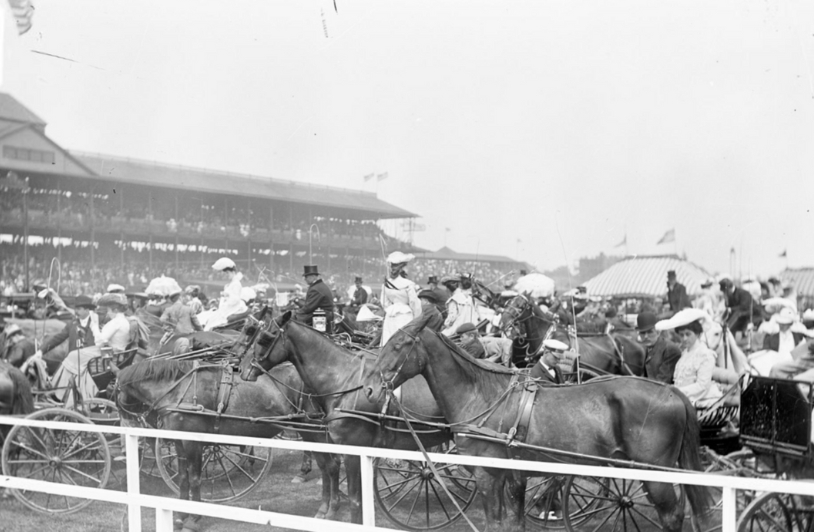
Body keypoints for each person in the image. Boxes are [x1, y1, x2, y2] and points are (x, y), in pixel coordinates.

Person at [50, 293, 132, 406]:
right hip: (110, 352)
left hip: (107, 353)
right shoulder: (123, 321)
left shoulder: (116, 322)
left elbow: (100, 341)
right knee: (76, 358)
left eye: (109, 310)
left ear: (115, 309)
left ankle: (59, 391)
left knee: (74, 356)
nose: (107, 313)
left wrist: (94, 325)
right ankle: (68, 392)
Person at [656, 311, 722, 408]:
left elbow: (702, 386)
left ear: (698, 334)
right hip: (681, 398)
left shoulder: (705, 355)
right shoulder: (685, 353)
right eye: (681, 335)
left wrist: (676, 391)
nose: (684, 338)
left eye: (688, 334)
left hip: (700, 400)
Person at [30, 295, 101, 374]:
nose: (76, 312)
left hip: (92, 365)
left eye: (79, 309)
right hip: (74, 366)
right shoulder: (72, 324)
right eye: (75, 309)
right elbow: (58, 338)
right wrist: (41, 351)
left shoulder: (96, 323)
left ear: (87, 310)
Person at [380, 252, 422, 346]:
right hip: (405, 316)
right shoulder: (408, 284)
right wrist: (416, 318)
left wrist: (391, 309)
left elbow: (384, 303)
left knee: (388, 342)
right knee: (403, 344)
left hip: (390, 315)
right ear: (402, 268)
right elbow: (414, 303)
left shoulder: (386, 284)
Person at [636, 311, 681, 384]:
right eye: (642, 333)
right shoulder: (646, 347)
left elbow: (662, 382)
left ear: (658, 332)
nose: (646, 336)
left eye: (650, 332)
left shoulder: (669, 349)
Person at [204, 257, 248, 331]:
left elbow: (235, 299)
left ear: (233, 272)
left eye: (227, 273)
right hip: (227, 306)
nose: (226, 275)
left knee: (214, 321)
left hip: (232, 307)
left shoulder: (236, 283)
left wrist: (227, 295)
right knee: (210, 317)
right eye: (225, 273)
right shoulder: (230, 284)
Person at [296, 265, 334, 332]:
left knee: (293, 318)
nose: (305, 279)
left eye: (306, 277)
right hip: (323, 314)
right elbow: (309, 304)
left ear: (313, 277)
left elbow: (308, 308)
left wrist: (295, 312)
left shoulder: (315, 289)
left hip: (321, 316)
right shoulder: (318, 286)